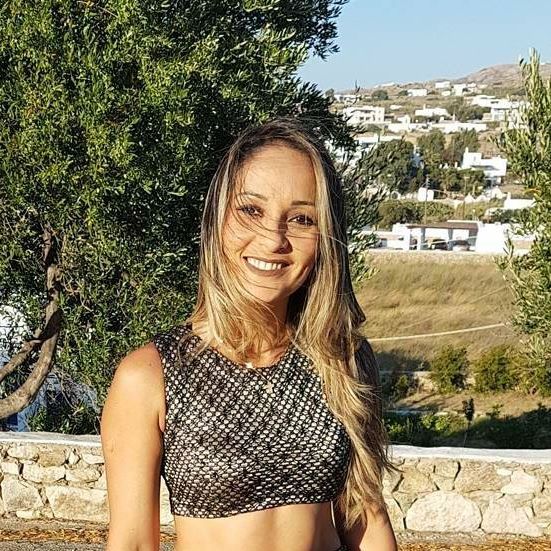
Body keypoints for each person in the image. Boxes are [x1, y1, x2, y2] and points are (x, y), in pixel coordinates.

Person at [100, 117, 399, 551]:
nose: (273, 238)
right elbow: (132, 542)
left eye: (301, 218)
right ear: (217, 220)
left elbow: (365, 516)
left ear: (325, 238)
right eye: (251, 210)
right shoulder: (148, 376)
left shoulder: (343, 359)